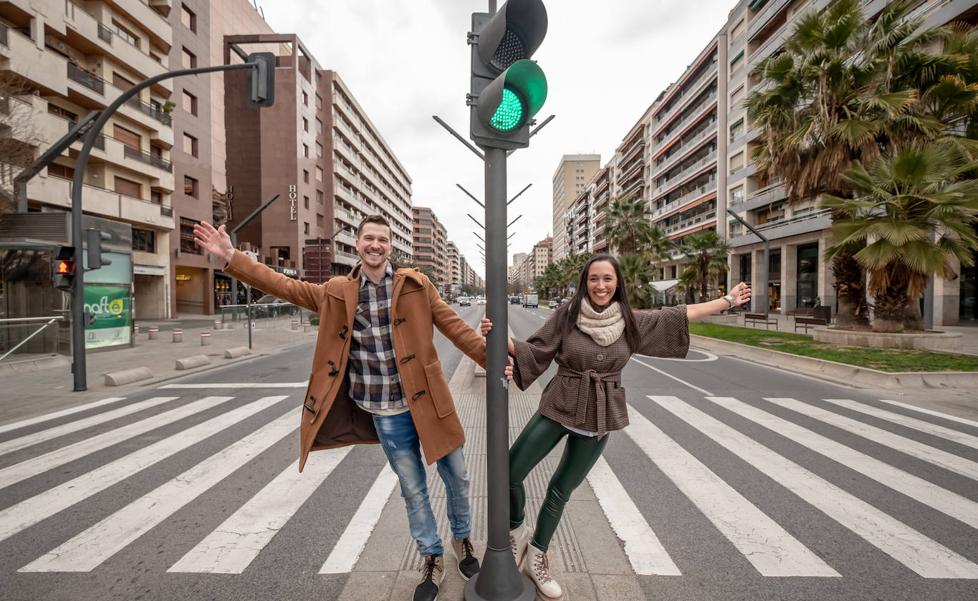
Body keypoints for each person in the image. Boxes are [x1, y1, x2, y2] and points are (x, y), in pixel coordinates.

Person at [194, 215, 487, 601]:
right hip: (385, 412)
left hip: (431, 404)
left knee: (459, 477)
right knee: (413, 490)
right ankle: (431, 555)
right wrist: (232, 256)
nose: (376, 245)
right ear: (358, 243)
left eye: (382, 239)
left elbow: (455, 327)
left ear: (390, 246)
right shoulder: (337, 291)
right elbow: (286, 286)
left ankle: (462, 538)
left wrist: (493, 357)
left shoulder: (417, 284)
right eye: (369, 238)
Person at [482, 253, 750, 599]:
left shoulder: (630, 321)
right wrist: (495, 335)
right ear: (585, 283)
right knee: (510, 469)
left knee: (560, 490)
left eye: (607, 278)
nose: (600, 285)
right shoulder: (567, 314)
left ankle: (537, 556)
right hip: (560, 401)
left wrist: (725, 301)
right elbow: (535, 349)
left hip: (600, 413)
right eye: (594, 279)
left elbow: (678, 315)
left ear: (617, 282)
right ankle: (518, 529)